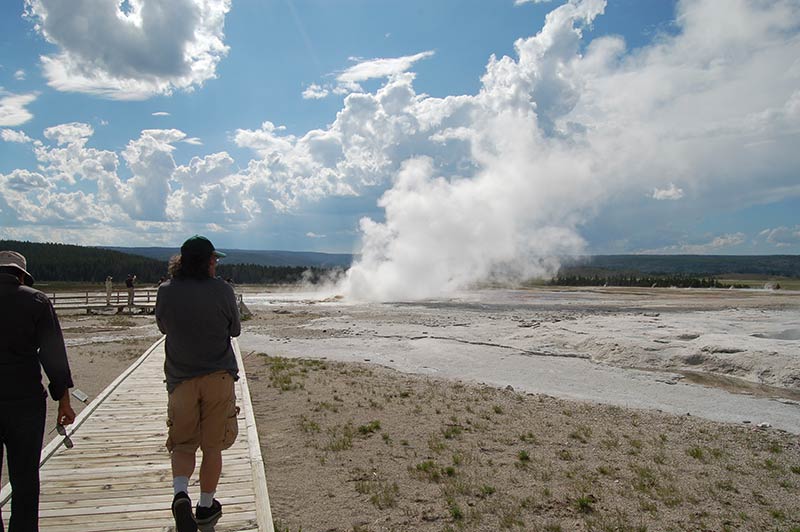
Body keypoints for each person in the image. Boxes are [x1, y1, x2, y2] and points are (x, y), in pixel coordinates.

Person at [155, 236, 240, 532]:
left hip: (180, 379)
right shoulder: (223, 290)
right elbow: (235, 330)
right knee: (212, 446)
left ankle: (181, 494)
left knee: (182, 443)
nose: (216, 264)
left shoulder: (166, 291)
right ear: (205, 262)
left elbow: (163, 327)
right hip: (218, 377)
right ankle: (205, 506)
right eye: (213, 259)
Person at [0, 250, 75, 532]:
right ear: (21, 275)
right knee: (25, 478)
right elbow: (53, 355)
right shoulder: (35, 300)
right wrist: (64, 401)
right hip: (25, 401)